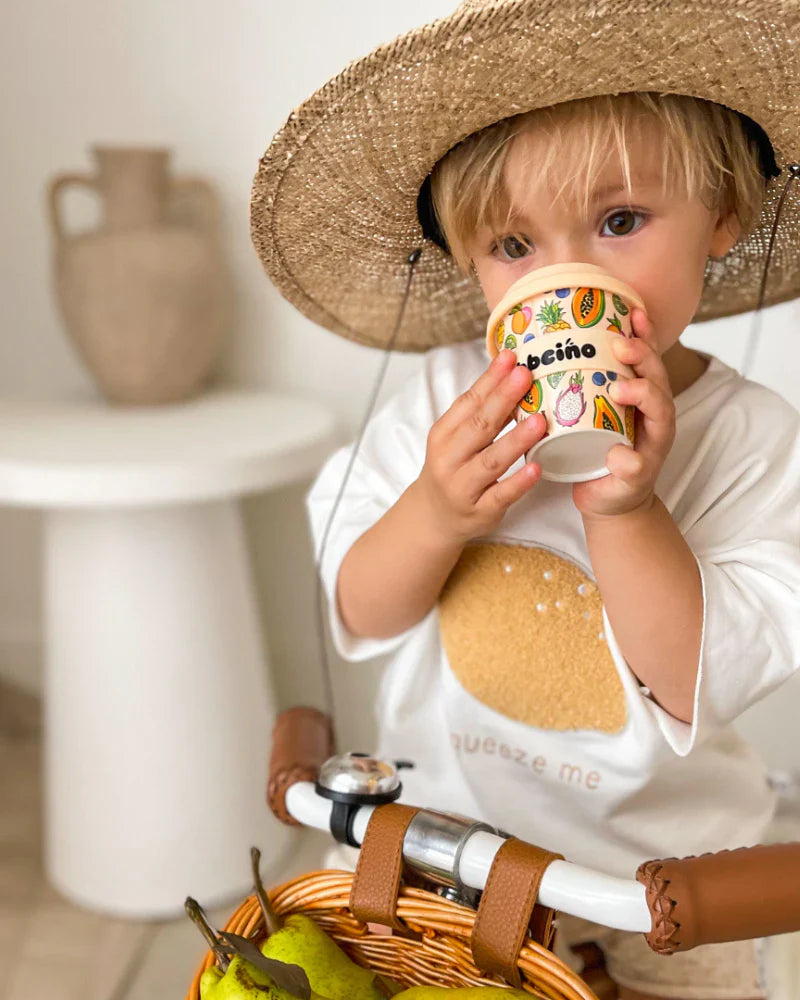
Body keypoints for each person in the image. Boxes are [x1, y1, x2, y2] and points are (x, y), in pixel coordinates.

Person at [250, 3, 800, 997]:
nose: (561, 277)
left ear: (721, 213)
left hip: (653, 882)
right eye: (512, 244)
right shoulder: (436, 400)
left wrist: (626, 512)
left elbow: (691, 680)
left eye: (618, 222)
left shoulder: (751, 439)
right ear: (467, 264)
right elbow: (358, 608)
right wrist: (433, 510)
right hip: (440, 855)